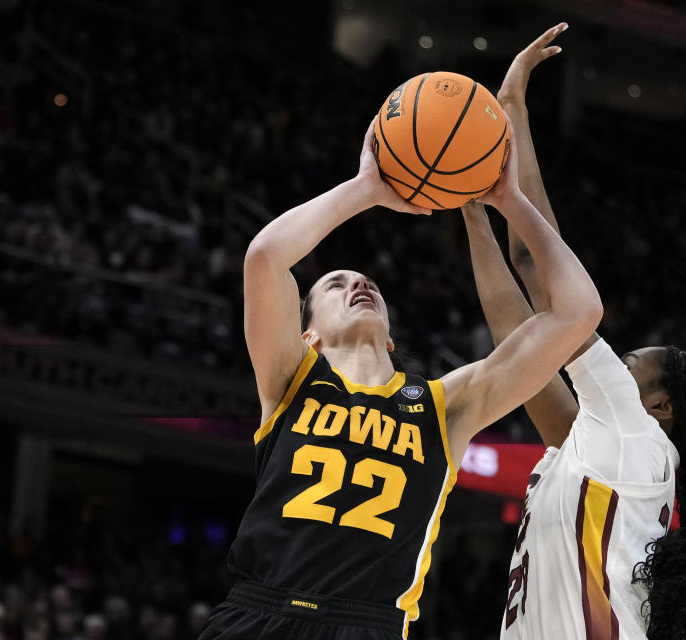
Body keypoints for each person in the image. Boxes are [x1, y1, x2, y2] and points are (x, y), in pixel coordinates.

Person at [199, 116, 602, 640]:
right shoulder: (290, 378)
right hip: (259, 613)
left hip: (369, 625)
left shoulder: (445, 405)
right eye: (335, 284)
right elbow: (265, 258)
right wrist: (366, 189)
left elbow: (579, 313)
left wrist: (511, 201)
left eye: (366, 282)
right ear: (308, 335)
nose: (359, 284)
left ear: (390, 336)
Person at [461, 24, 686, 640]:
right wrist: (471, 209)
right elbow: (522, 336)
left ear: (659, 405)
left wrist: (506, 168)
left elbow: (544, 281)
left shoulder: (634, 438)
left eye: (627, 363)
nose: (613, 367)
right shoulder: (604, 452)